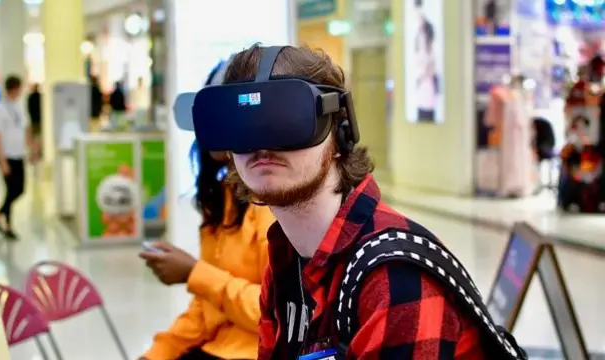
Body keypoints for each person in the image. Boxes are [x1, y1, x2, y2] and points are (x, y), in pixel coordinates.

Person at [219, 45, 486, 359]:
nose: (261, 146)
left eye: (288, 122)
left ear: (339, 134)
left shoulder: (395, 280)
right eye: (244, 127)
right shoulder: (286, 259)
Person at [138, 142, 275, 360]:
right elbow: (205, 308)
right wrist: (160, 352)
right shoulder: (221, 195)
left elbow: (274, 314)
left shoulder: (271, 206)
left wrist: (194, 273)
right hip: (216, 346)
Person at [0, 75, 36, 240]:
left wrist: (32, 149)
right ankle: (7, 226)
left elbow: (26, 130)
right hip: (6, 156)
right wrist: (2, 161)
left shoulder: (19, 107)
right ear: (13, 89)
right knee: (11, 190)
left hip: (18, 153)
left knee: (19, 189)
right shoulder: (0, 109)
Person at [414, 0, 437, 122]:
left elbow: (431, 65)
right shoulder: (418, 35)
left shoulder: (428, 32)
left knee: (427, 113)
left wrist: (424, 73)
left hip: (427, 86)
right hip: (421, 86)